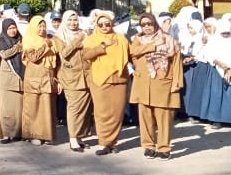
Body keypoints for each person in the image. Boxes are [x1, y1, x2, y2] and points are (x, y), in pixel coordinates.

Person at [129, 12, 183, 160]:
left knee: (164, 117)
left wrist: (177, 82)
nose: (146, 27)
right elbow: (133, 52)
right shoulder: (137, 39)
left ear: (155, 24)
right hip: (143, 84)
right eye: (143, 24)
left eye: (149, 24)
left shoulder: (168, 39)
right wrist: (153, 46)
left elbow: (176, 62)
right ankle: (149, 146)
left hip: (162, 83)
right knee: (145, 117)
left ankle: (164, 148)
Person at [81, 11, 130, 155]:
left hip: (119, 79)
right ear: (96, 25)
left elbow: (131, 54)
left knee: (117, 113)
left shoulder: (121, 38)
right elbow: (86, 55)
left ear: (111, 23)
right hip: (100, 80)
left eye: (107, 23)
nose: (104, 26)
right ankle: (104, 143)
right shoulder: (91, 39)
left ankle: (112, 142)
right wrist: (102, 45)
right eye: (101, 24)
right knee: (102, 113)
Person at [56, 10, 93, 152]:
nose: (73, 23)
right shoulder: (59, 36)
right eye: (70, 20)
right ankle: (72, 138)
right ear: (65, 21)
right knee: (74, 108)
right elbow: (64, 53)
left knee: (85, 109)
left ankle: (80, 137)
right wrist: (78, 40)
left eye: (75, 20)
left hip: (86, 76)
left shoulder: (83, 33)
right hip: (70, 77)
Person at [201, 17, 231, 130]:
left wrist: (229, 68)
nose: (225, 35)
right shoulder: (214, 40)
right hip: (216, 70)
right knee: (216, 94)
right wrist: (220, 64)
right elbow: (209, 54)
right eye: (223, 33)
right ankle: (217, 119)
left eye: (227, 33)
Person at [21, 16, 59, 146]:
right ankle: (33, 135)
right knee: (34, 108)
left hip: (48, 77)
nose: (42, 29)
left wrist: (57, 80)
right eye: (39, 26)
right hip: (34, 78)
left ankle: (46, 135)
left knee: (47, 108)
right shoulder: (28, 40)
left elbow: (56, 61)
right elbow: (33, 57)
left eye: (44, 26)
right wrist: (45, 45)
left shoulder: (49, 39)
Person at [0, 18, 24, 144]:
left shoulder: (21, 38)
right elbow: (4, 54)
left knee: (18, 109)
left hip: (19, 78)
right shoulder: (2, 40)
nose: (13, 31)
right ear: (5, 29)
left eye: (14, 28)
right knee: (7, 109)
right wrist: (17, 48)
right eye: (10, 28)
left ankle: (17, 133)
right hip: (7, 80)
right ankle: (7, 134)